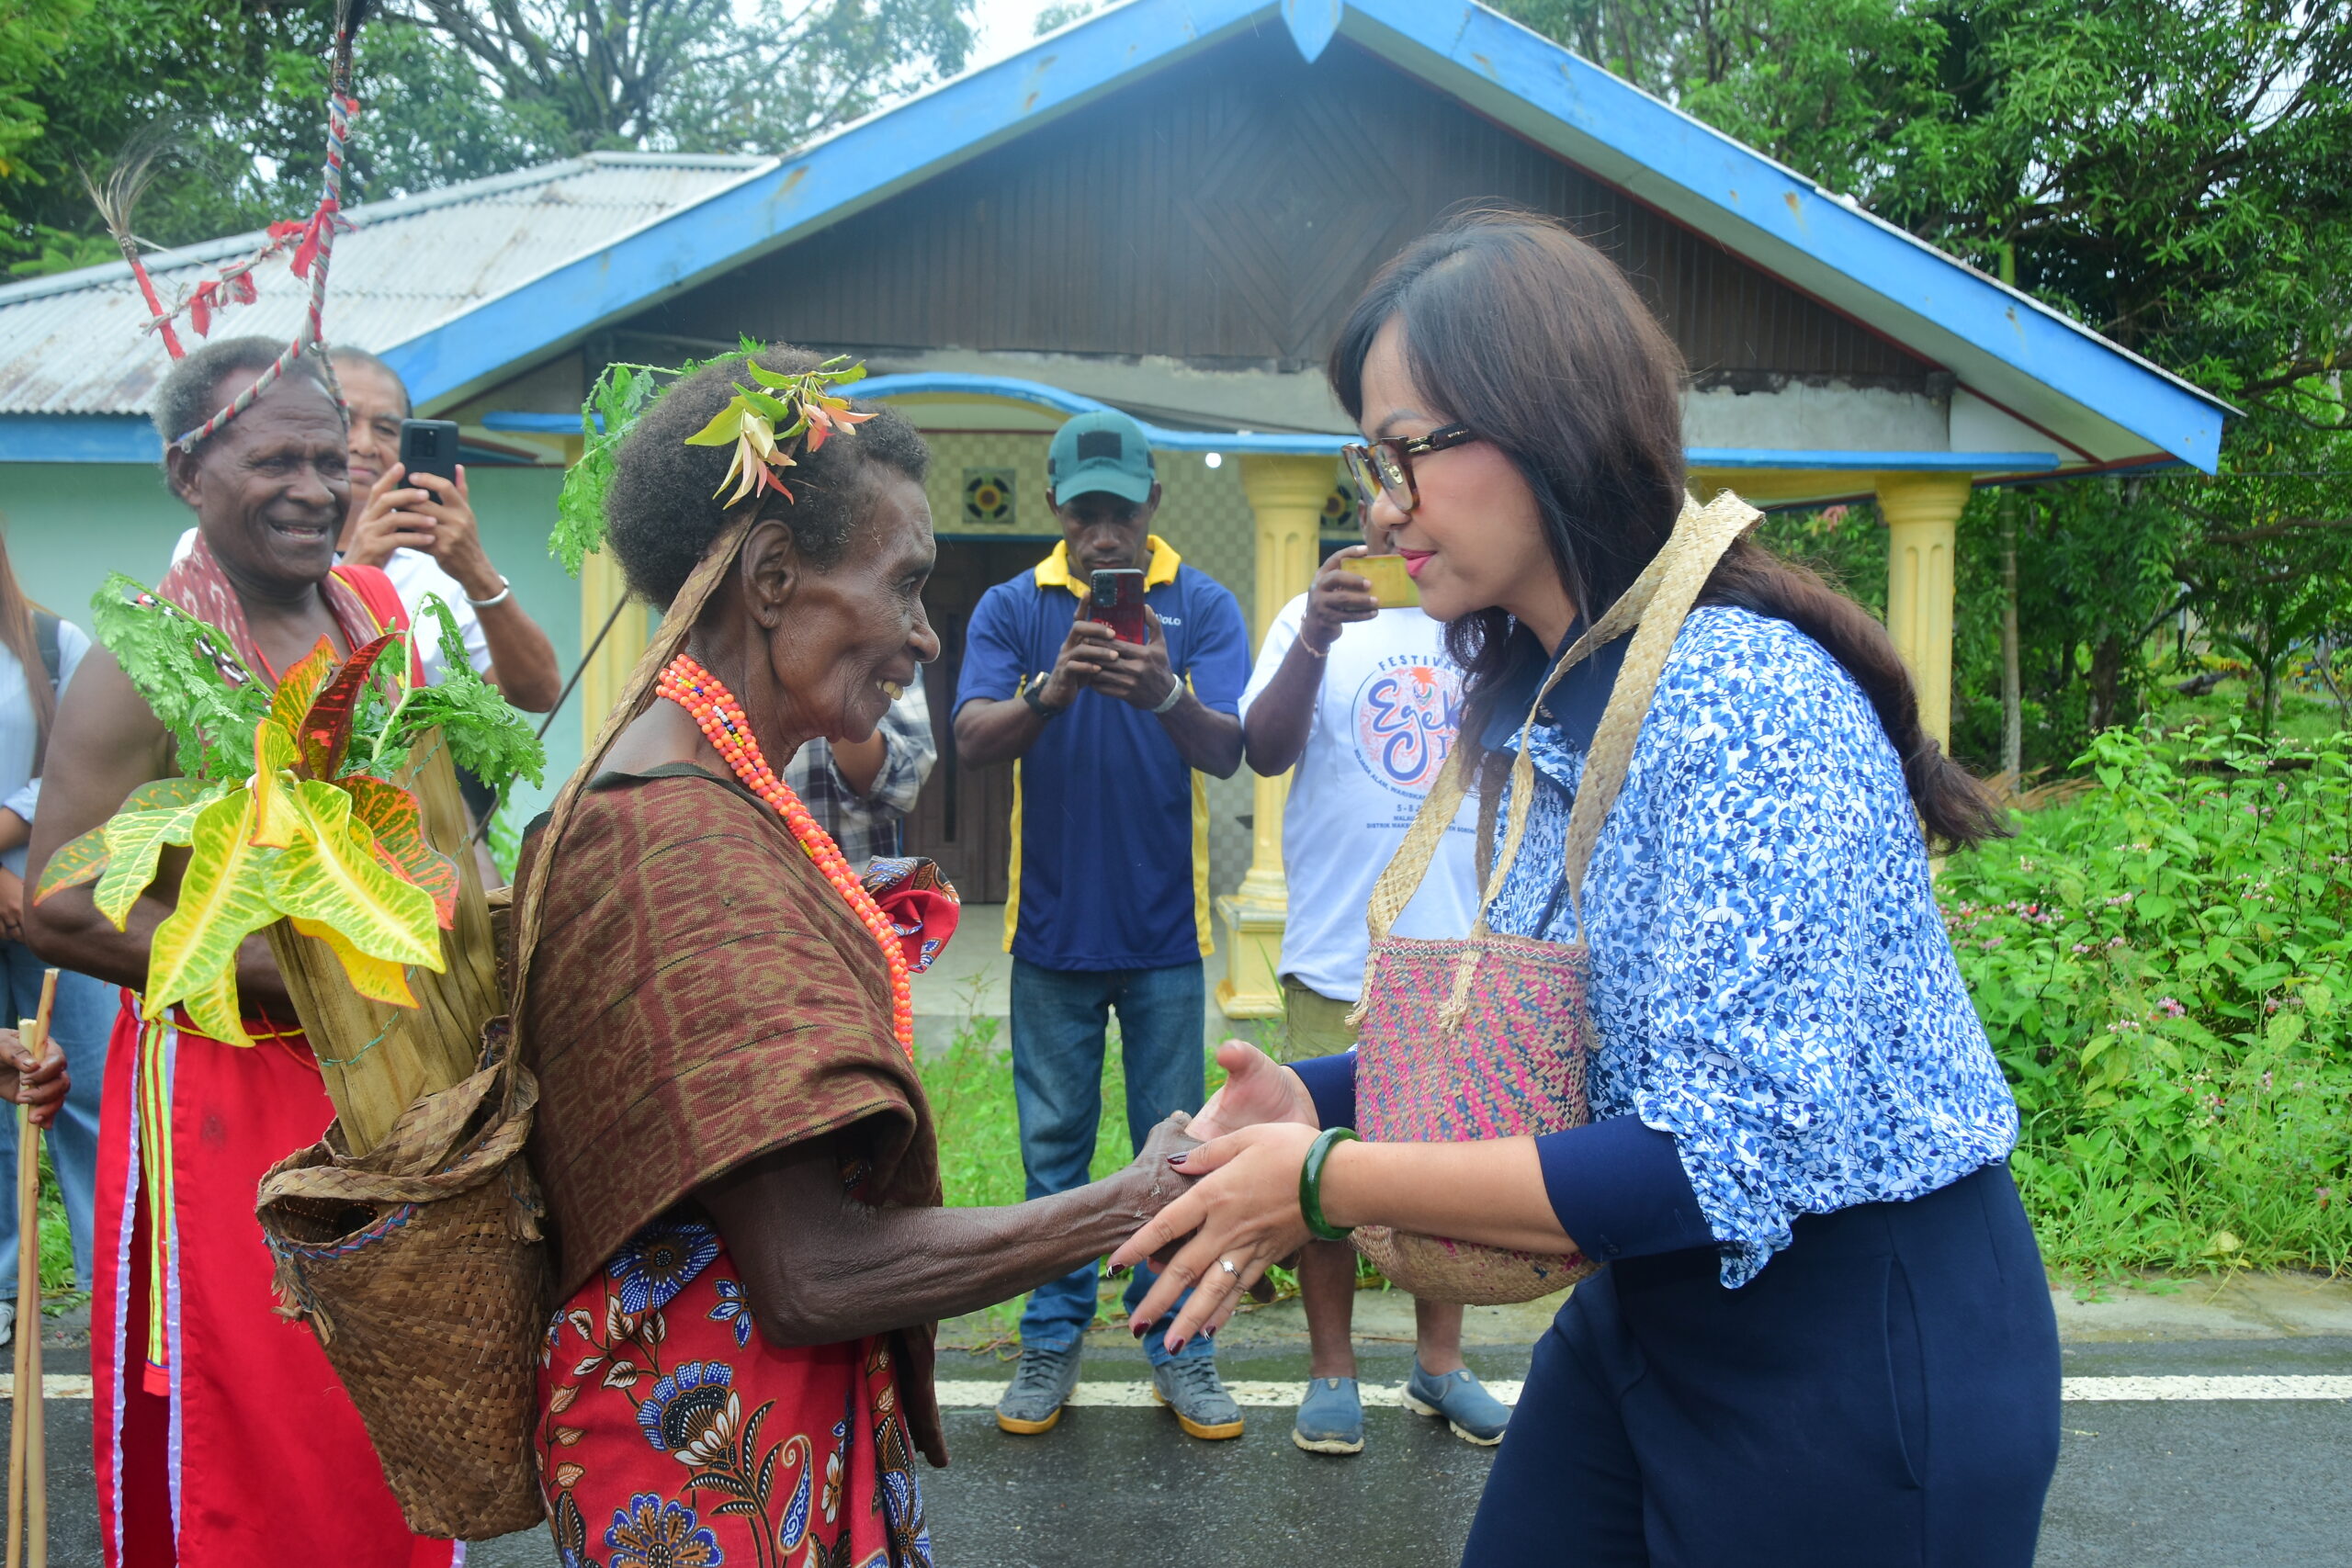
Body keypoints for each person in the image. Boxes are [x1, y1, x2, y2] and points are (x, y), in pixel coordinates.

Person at [1112, 211, 2059, 1566]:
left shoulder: (1740, 695)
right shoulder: (1565, 696)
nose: (1380, 505)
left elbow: (1719, 1151)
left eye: (1406, 452)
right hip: (1665, 1306)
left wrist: (1322, 1174)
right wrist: (1318, 1094)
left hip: (1857, 1349)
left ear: (1542, 422)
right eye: (1366, 461)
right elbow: (1570, 1045)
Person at [516, 345, 1200, 1568]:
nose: (928, 637)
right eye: (908, 584)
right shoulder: (675, 832)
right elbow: (810, 1271)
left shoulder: (711, 786)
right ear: (775, 578)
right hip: (713, 1473)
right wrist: (1133, 1199)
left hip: (746, 1439)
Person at [27, 337, 456, 1568]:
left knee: (397, 1403)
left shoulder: (373, 612)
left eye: (335, 456)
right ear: (187, 473)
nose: (318, 486)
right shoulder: (149, 660)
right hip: (229, 1098)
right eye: (277, 458)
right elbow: (61, 903)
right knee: (263, 1418)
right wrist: (298, 973)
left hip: (392, 1076)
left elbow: (427, 821)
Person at [952, 409, 1251, 1440]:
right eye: (1086, 514)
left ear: (1153, 505)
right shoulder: (1012, 605)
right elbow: (973, 738)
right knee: (1053, 1160)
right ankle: (1050, 1340)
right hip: (1051, 940)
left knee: (1176, 1158)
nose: (1104, 536)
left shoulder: (1201, 605)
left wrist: (1164, 687)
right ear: (1056, 509)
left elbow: (1227, 749)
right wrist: (1053, 688)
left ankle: (1181, 1345)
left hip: (1167, 939)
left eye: (1121, 512)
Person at [1235, 500, 1509, 1455]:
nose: (1396, 513)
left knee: (1448, 1177)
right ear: (1356, 508)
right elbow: (1264, 750)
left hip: (1459, 951)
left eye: (1416, 486)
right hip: (1338, 951)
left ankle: (1438, 1367)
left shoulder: (1483, 608)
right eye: (1377, 488)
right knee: (1322, 1175)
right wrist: (1313, 628)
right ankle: (1331, 1372)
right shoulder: (1305, 616)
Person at [171, 346, 562, 827]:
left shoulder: (435, 563)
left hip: (420, 828)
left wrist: (474, 566)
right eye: (346, 421)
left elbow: (539, 693)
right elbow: (275, 694)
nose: (363, 444)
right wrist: (357, 573)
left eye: (386, 428)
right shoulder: (221, 552)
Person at [0, 528, 116, 1349]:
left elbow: (76, 771)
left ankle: (108, 1284)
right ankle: (3, 1289)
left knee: (84, 1087)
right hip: (11, 883)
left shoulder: (50, 640)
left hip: (54, 891)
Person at [786, 667, 936, 869]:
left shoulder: (888, 647)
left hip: (850, 890)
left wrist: (833, 683)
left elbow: (901, 785)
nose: (929, 645)